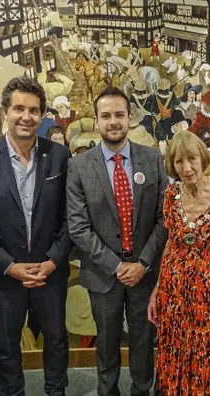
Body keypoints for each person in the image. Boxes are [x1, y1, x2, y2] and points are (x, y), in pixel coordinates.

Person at [0, 76, 72, 396]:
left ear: (41, 116)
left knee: (56, 342)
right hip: (5, 275)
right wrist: (9, 265)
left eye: (34, 110)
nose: (26, 116)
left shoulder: (60, 157)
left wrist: (52, 261)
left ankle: (57, 392)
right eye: (19, 109)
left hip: (49, 274)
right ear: (5, 113)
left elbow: (72, 219)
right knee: (7, 346)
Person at [66, 86, 168, 396]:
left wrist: (143, 263)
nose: (113, 122)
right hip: (102, 275)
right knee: (107, 345)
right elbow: (78, 226)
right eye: (106, 115)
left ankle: (142, 390)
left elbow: (165, 217)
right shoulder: (79, 167)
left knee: (142, 341)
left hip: (145, 273)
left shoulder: (152, 159)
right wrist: (117, 266)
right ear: (96, 120)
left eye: (119, 115)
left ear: (130, 118)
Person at [147, 130, 210, 394]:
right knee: (173, 357)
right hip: (173, 294)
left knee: (209, 360)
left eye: (191, 159)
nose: (186, 168)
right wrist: (157, 289)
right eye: (179, 162)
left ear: (202, 157)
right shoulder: (170, 195)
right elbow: (170, 243)